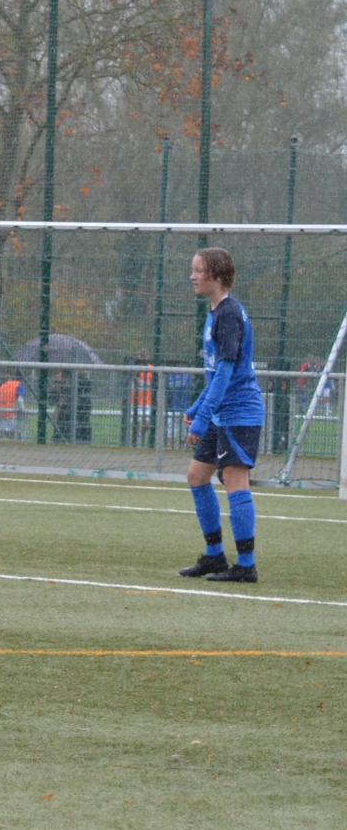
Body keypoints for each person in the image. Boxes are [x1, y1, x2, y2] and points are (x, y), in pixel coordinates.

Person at [180, 246, 265, 583]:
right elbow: (215, 375)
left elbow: (227, 373)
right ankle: (214, 556)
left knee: (234, 481)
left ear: (214, 275)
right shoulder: (214, 312)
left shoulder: (229, 314)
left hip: (239, 413)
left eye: (198, 270)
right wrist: (197, 408)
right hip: (220, 412)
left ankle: (246, 565)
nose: (192, 276)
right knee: (197, 477)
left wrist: (202, 420)